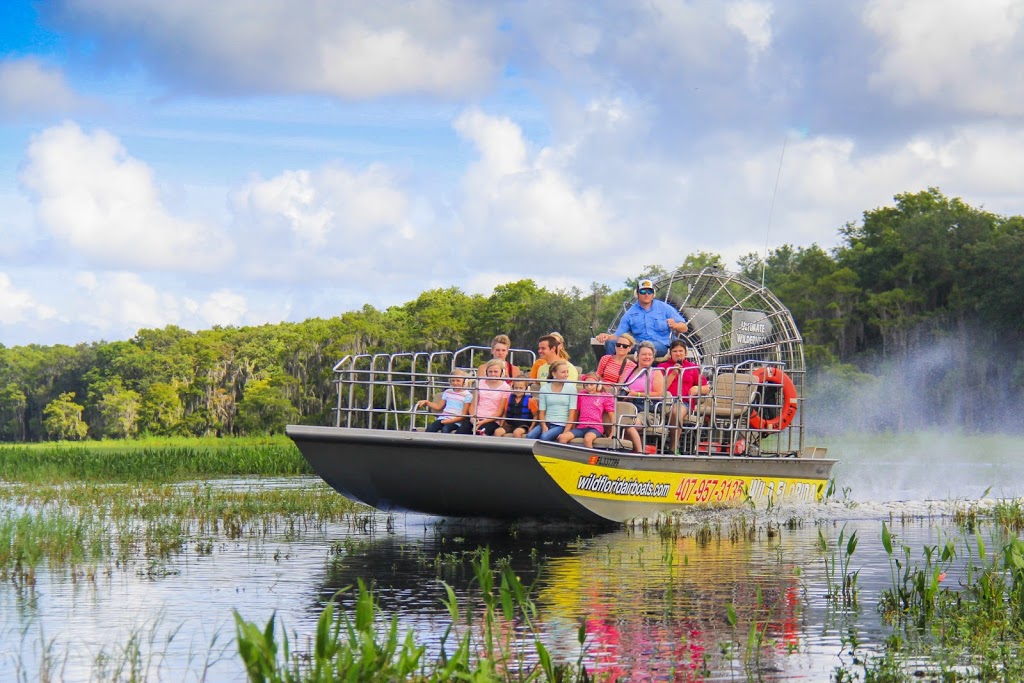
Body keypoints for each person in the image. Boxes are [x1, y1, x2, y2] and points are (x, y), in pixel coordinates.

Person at [595, 278, 688, 357]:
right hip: (637, 345)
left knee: (646, 347)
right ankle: (608, 372)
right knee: (611, 344)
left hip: (661, 345)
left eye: (649, 291)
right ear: (637, 294)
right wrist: (605, 336)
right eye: (643, 291)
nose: (646, 294)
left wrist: (675, 325)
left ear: (653, 294)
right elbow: (618, 335)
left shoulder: (665, 308)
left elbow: (684, 328)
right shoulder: (630, 313)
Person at [558, 375, 642, 453]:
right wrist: (573, 426)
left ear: (598, 385)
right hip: (581, 427)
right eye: (586, 385)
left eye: (591, 384)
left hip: (595, 428)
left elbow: (612, 416)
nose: (589, 387)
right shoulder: (582, 395)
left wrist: (612, 433)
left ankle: (588, 460)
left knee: (587, 439)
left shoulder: (605, 397)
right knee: (562, 438)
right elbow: (576, 412)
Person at [658, 339, 710, 452]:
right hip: (664, 400)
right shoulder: (662, 367)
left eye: (681, 351)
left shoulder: (693, 367)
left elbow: (707, 388)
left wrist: (697, 388)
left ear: (685, 353)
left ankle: (673, 446)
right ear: (670, 353)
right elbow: (660, 388)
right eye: (675, 351)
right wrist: (673, 373)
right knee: (671, 409)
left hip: (683, 401)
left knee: (676, 412)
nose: (678, 354)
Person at [526, 360, 578, 441]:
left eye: (567, 372)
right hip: (547, 422)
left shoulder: (571, 389)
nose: (566, 375)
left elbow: (571, 415)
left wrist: (565, 432)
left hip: (561, 425)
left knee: (544, 437)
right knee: (529, 436)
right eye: (563, 372)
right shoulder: (544, 388)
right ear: (554, 374)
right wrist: (543, 426)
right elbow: (542, 412)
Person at [417, 369, 472, 434]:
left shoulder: (467, 395)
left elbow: (463, 415)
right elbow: (438, 406)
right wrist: (427, 402)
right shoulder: (447, 392)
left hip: (455, 421)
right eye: (453, 381)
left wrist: (449, 421)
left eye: (458, 381)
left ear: (464, 382)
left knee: (445, 429)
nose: (455, 383)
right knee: (430, 428)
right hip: (443, 418)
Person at [473, 359, 511, 436]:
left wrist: (483, 421)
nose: (493, 374)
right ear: (486, 372)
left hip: (492, 420)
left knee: (480, 433)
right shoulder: (480, 383)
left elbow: (500, 412)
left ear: (501, 372)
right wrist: (472, 417)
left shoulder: (505, 387)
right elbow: (473, 405)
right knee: (462, 431)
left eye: (496, 372)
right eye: (490, 372)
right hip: (476, 417)